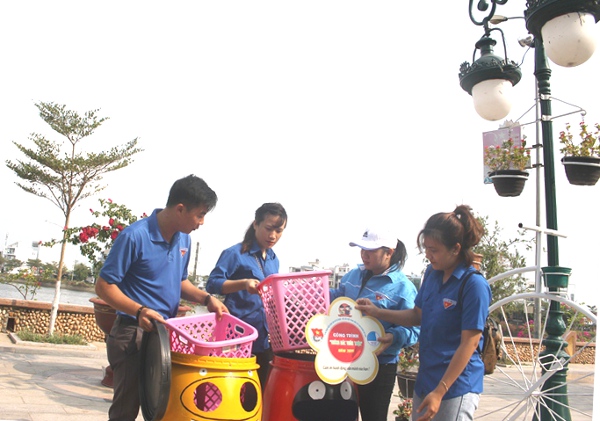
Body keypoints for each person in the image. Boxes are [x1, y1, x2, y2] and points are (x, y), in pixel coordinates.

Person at [95, 174, 229, 421]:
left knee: (161, 408)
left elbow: (180, 282)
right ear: (180, 209)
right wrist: (139, 310)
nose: (201, 222)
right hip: (133, 332)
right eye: (200, 215)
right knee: (126, 409)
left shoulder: (184, 239)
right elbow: (104, 286)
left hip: (165, 335)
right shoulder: (135, 236)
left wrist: (207, 299)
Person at [355, 205, 492, 421]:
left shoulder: (473, 285)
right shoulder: (432, 274)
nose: (428, 255)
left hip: (455, 386)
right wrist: (377, 312)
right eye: (426, 248)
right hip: (427, 380)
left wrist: (440, 391)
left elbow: (470, 343)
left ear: (455, 249)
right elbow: (417, 315)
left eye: (434, 250)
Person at [329, 228, 420, 421]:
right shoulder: (353, 275)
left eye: (371, 250)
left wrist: (394, 337)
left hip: (380, 364)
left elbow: (414, 327)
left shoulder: (403, 287)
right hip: (344, 358)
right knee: (340, 415)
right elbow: (336, 299)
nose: (364, 254)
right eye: (362, 249)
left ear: (389, 252)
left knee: (374, 416)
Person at [206, 202, 287, 389]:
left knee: (259, 393)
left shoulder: (274, 259)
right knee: (233, 391)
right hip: (237, 338)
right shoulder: (235, 254)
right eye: (269, 228)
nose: (273, 236)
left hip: (264, 340)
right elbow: (212, 283)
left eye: (279, 231)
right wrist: (243, 283)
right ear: (256, 224)